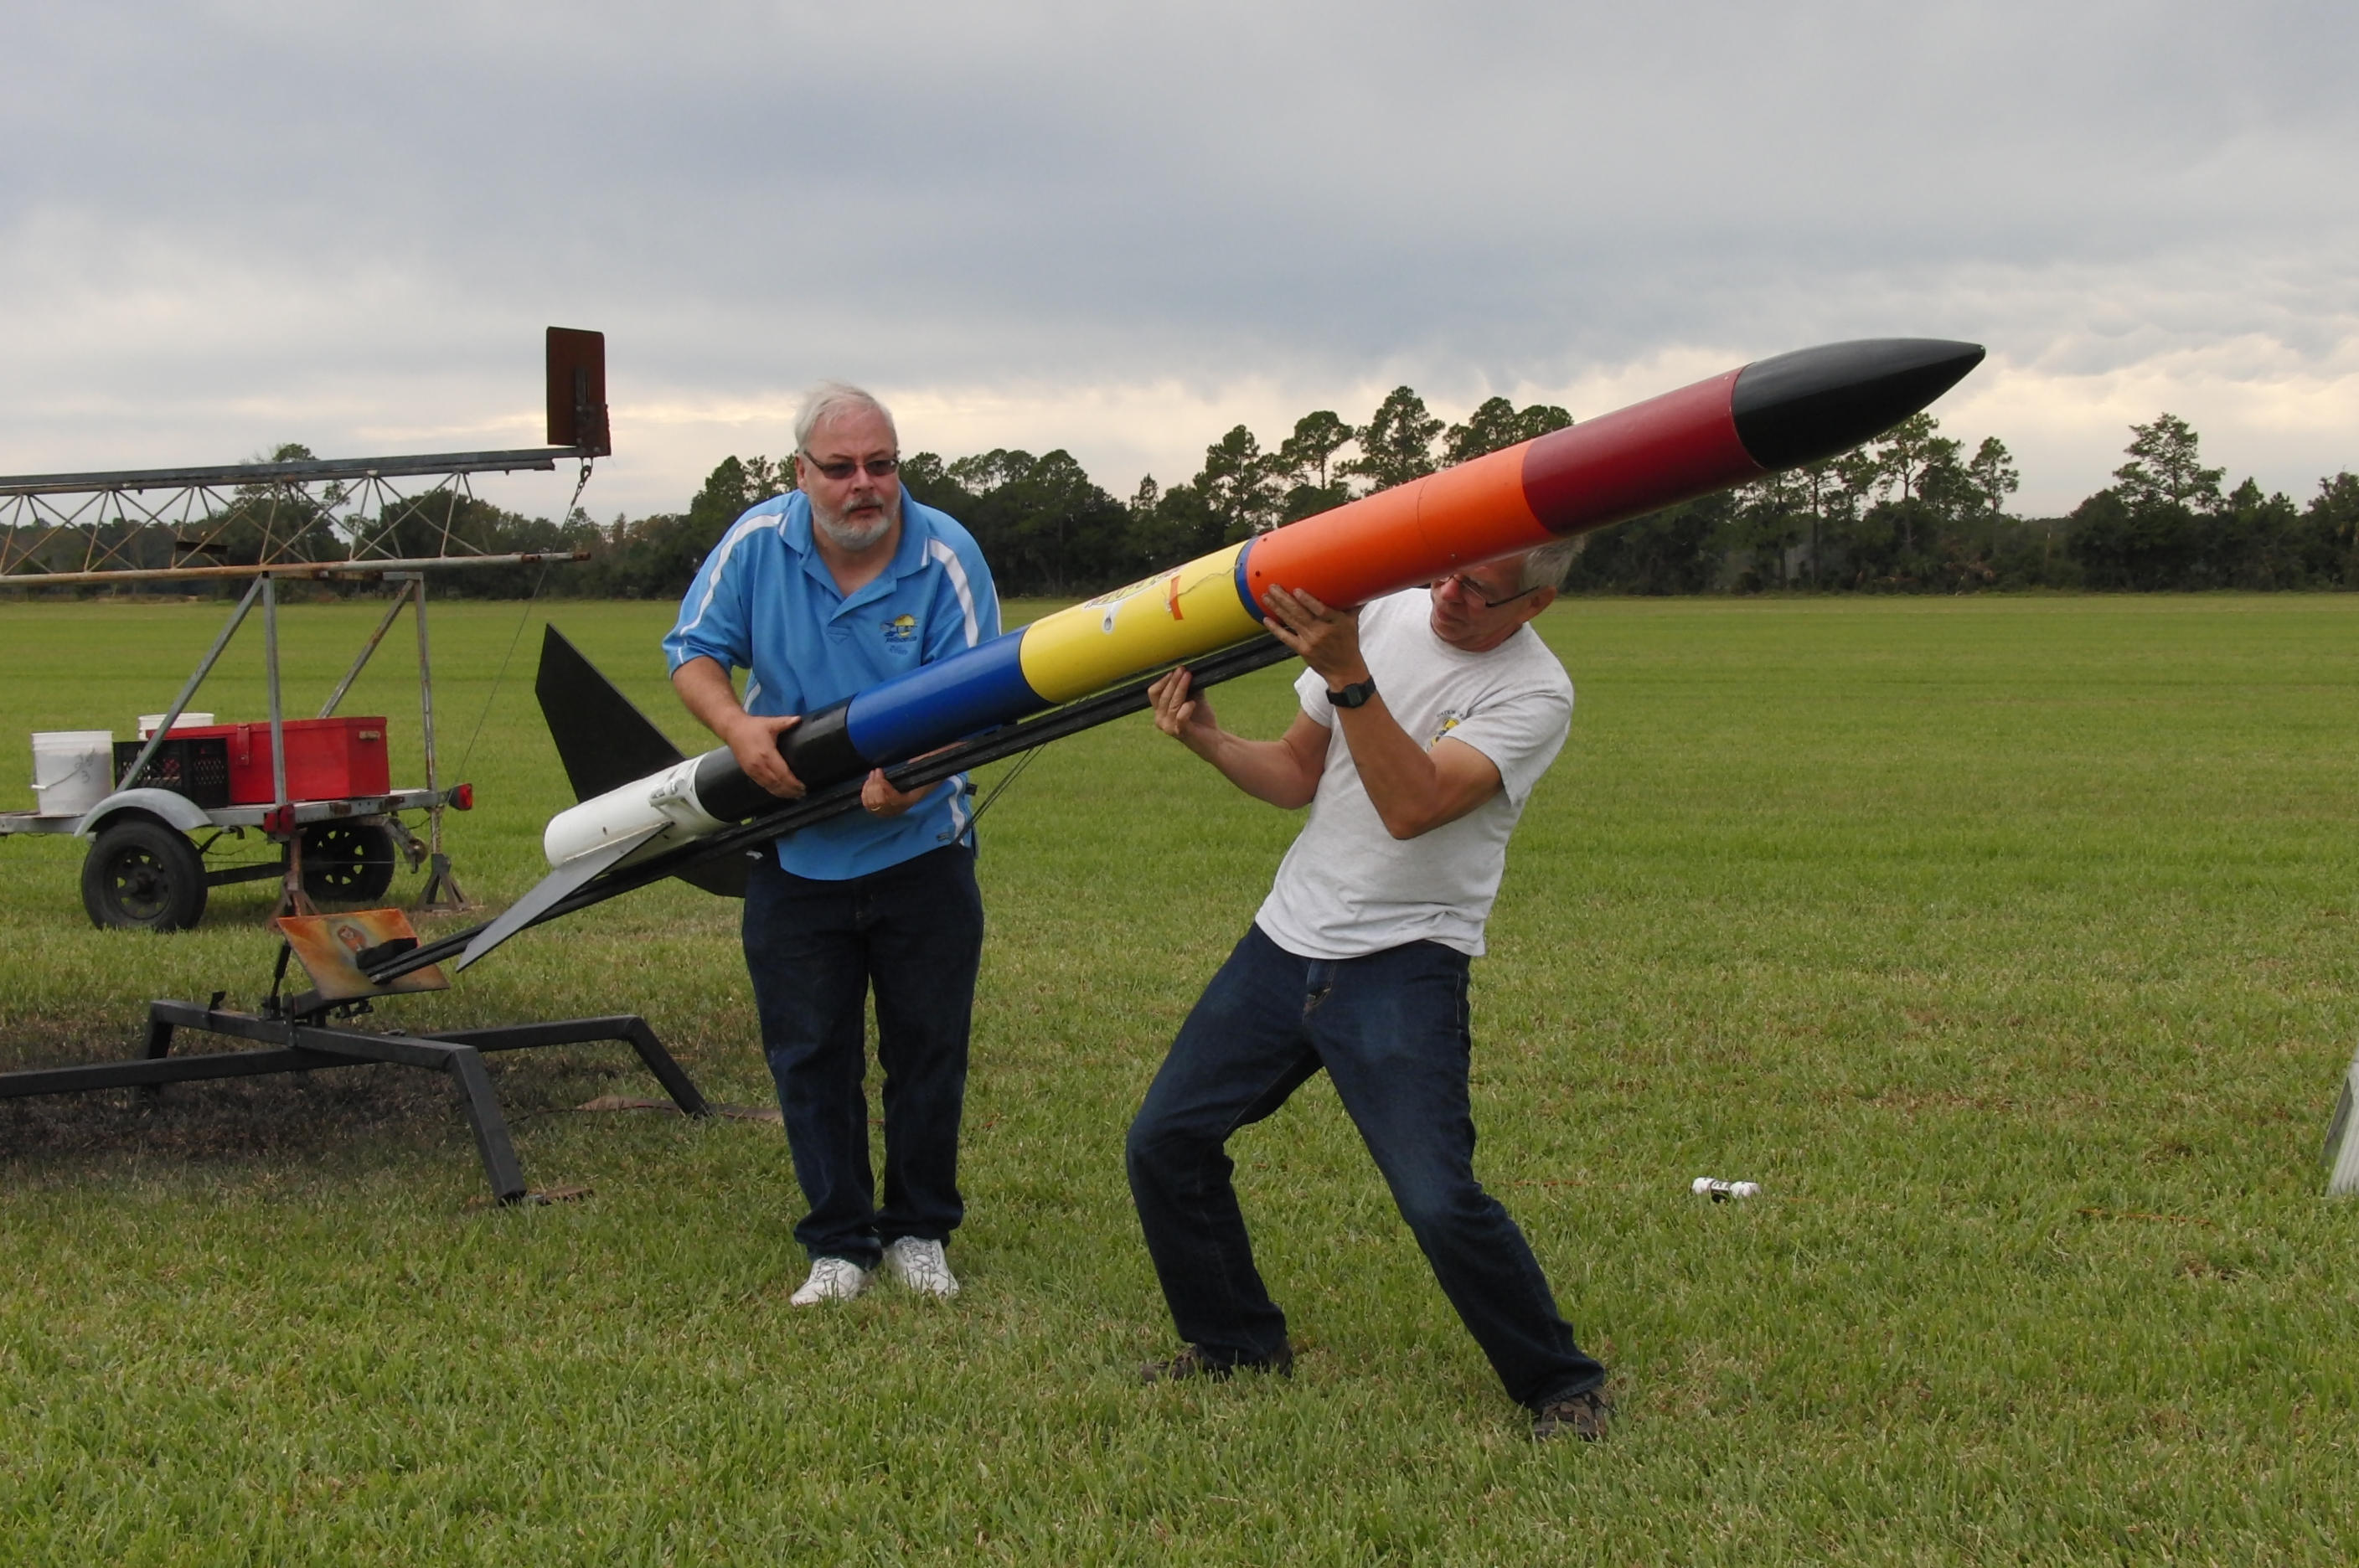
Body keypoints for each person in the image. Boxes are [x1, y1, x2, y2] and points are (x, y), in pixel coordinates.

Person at [1125, 542, 1613, 1441]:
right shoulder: (1385, 613)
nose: (1447, 594)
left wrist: (1350, 676)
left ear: (1534, 604)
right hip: (1286, 937)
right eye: (1447, 571)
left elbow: (1412, 807)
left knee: (1437, 1197)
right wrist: (1205, 737)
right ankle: (1236, 1344)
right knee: (1165, 1142)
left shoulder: (1534, 694)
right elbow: (1294, 774)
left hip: (1405, 958)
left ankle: (1561, 1384)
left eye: (1478, 590)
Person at [664, 382, 999, 1306]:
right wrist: (737, 729)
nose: (864, 486)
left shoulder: (946, 554)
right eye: (842, 467)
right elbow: (692, 650)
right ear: (800, 472)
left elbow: (982, 697)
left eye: (881, 465)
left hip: (922, 851)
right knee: (809, 1055)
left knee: (926, 1052)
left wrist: (919, 777)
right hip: (792, 849)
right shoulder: (755, 543)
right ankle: (839, 1245)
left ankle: (919, 1231)